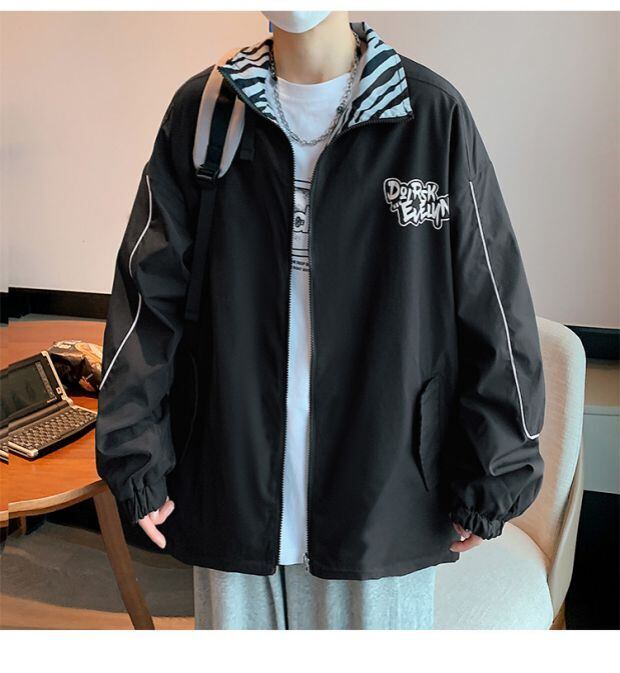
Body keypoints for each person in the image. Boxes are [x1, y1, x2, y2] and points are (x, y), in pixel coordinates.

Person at [95, 11, 545, 629]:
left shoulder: (428, 116)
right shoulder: (205, 114)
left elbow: (493, 306)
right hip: (231, 479)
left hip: (387, 494)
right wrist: (135, 454)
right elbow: (147, 300)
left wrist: (496, 473)